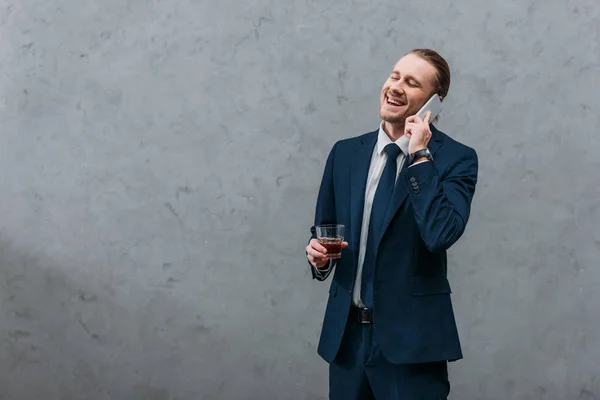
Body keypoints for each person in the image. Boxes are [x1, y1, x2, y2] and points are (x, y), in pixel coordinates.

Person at [305, 48, 478, 399]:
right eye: (395, 76)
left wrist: (420, 156)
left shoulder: (456, 159)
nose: (395, 87)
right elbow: (324, 230)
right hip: (347, 341)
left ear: (434, 101)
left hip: (411, 345)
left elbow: (440, 234)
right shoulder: (345, 153)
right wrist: (319, 258)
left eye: (412, 83)